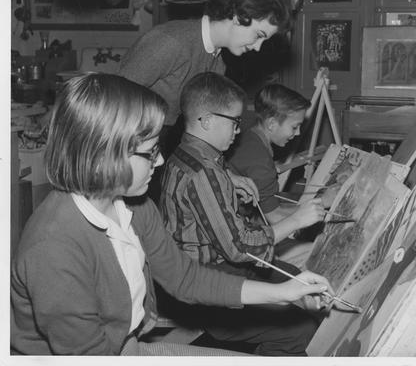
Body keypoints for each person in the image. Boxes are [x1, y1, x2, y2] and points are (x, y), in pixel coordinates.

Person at [10, 73, 332, 356]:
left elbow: (185, 278)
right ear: (103, 154)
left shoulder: (132, 206)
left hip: (127, 345)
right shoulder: (54, 247)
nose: (161, 161)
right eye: (150, 152)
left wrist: (286, 292)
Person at [159, 72, 329, 356]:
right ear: (208, 121)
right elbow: (240, 249)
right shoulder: (205, 172)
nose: (239, 130)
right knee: (298, 330)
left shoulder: (189, 155)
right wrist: (297, 220)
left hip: (211, 269)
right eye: (235, 122)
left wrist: (228, 179)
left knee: (300, 279)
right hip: (205, 284)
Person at [118, 0, 291, 160]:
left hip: (157, 144)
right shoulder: (170, 42)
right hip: (126, 143)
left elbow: (202, 127)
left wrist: (224, 172)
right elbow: (112, 100)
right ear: (239, 16)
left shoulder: (218, 60)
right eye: (259, 36)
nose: (258, 48)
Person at [227, 84, 315, 268]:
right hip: (236, 241)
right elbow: (274, 216)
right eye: (295, 127)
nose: (298, 133)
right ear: (272, 124)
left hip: (237, 227)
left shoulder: (249, 137)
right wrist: (319, 211)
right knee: (313, 251)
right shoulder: (260, 161)